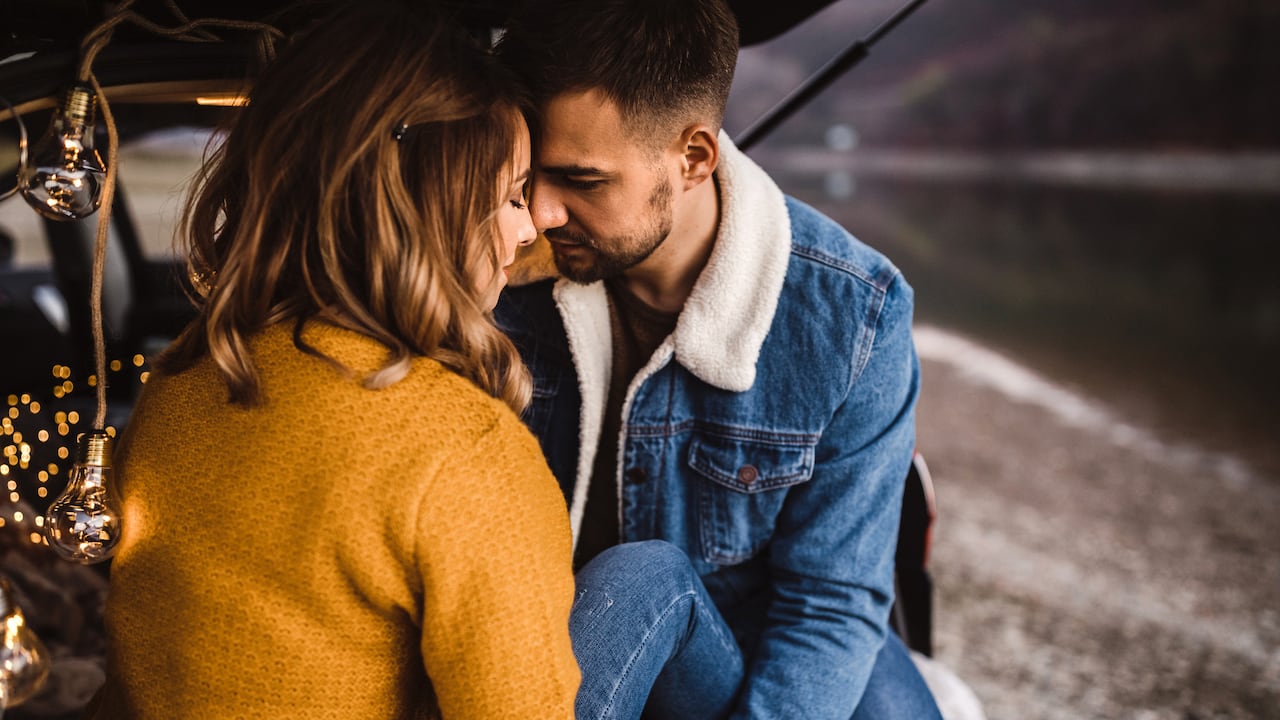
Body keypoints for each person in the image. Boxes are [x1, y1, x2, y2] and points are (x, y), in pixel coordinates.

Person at [85, 3, 580, 718]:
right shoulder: (463, 451)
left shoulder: (180, 385)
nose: (529, 227)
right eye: (509, 196)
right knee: (648, 580)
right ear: (426, 205)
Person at [495, 0, 943, 717]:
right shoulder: (494, 274)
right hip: (587, 634)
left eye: (581, 181)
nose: (541, 214)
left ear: (694, 158)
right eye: (527, 178)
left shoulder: (856, 316)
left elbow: (830, 606)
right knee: (642, 578)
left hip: (765, 643)